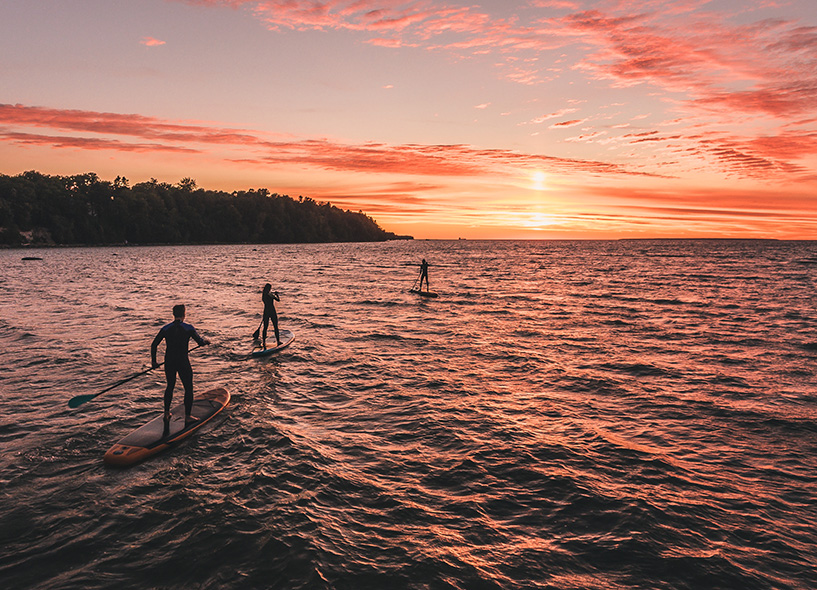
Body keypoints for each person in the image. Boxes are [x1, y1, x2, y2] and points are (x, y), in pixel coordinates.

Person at [151, 304, 208, 423]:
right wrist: (205, 342)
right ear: (184, 314)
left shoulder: (166, 328)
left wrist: (154, 362)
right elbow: (200, 342)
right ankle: (188, 416)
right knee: (188, 387)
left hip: (169, 361)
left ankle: (166, 413)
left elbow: (154, 344)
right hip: (182, 361)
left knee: (170, 386)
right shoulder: (188, 328)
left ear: (173, 314)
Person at [262, 283, 281, 348]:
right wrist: (277, 295)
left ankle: (264, 342)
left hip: (266, 311)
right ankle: (278, 341)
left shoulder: (263, 295)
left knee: (265, 327)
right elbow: (278, 300)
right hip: (272, 311)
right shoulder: (270, 295)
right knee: (275, 326)